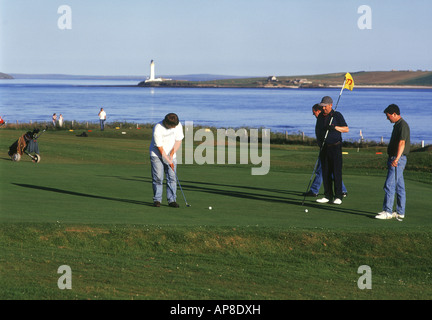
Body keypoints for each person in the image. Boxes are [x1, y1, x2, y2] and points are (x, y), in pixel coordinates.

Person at [304, 104, 348, 197]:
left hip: (330, 148)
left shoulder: (330, 118)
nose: (313, 114)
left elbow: (344, 129)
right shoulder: (320, 120)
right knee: (328, 171)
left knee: (323, 170)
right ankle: (342, 190)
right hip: (323, 148)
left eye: (314, 112)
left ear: (318, 111)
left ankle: (314, 190)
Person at [376, 104, 410, 220]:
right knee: (400, 187)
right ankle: (400, 212)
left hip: (397, 159)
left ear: (394, 114)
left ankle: (388, 211)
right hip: (397, 158)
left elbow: (402, 143)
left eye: (388, 116)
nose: (387, 118)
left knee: (389, 185)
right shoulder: (397, 125)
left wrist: (396, 159)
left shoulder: (402, 125)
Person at [315, 96, 349, 205]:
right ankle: (328, 195)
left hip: (335, 147)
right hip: (324, 147)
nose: (323, 108)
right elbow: (317, 130)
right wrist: (319, 142)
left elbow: (346, 129)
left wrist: (334, 128)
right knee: (326, 172)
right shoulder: (320, 116)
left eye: (325, 106)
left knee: (336, 172)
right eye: (322, 106)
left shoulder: (337, 115)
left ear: (330, 105)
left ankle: (338, 196)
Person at [150, 113, 184, 208]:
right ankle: (157, 200)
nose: (174, 128)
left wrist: (171, 155)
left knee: (172, 178)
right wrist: (168, 160)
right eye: (172, 126)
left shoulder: (178, 125)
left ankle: (172, 200)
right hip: (157, 155)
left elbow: (178, 141)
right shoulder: (158, 128)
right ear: (167, 123)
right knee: (158, 178)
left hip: (171, 155)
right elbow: (160, 148)